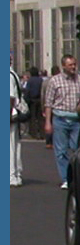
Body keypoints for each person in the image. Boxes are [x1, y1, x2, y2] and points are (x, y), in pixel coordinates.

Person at [43, 54, 80, 189]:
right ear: (63, 66)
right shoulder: (54, 81)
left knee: (76, 149)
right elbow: (48, 103)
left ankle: (75, 176)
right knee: (61, 151)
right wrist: (48, 122)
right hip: (60, 118)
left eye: (74, 64)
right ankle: (66, 178)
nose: (73, 67)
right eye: (70, 65)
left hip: (76, 120)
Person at [10, 58, 24, 187]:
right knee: (14, 145)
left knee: (10, 146)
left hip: (10, 115)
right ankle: (16, 173)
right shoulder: (13, 74)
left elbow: (10, 97)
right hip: (13, 114)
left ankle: (12, 175)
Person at [24, 67, 44, 139]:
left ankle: (33, 133)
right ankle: (42, 133)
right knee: (40, 118)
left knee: (32, 117)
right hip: (39, 100)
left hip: (32, 100)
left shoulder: (30, 80)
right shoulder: (40, 80)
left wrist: (26, 99)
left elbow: (27, 91)